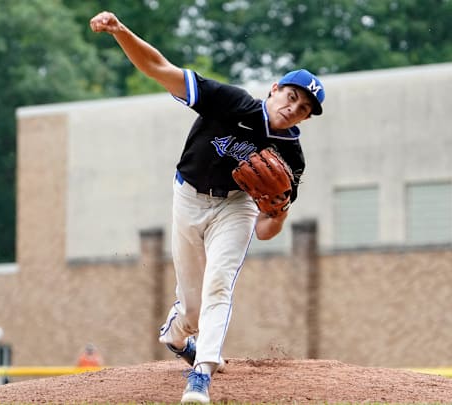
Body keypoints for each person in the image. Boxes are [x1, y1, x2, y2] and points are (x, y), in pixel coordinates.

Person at [90, 11, 325, 404]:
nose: (293, 108)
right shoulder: (230, 102)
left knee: (220, 283)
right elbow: (160, 69)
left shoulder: (291, 158)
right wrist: (120, 32)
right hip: (188, 197)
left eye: (303, 108)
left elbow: (266, 232)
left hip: (236, 209)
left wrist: (278, 211)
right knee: (195, 308)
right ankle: (177, 332)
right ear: (274, 88)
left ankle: (201, 375)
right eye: (291, 96)